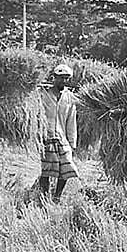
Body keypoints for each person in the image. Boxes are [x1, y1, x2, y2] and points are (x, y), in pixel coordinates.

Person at [37, 64, 79, 204]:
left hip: (62, 138)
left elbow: (71, 121)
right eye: (61, 78)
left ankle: (57, 197)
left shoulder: (70, 98)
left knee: (66, 169)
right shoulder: (43, 94)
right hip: (45, 137)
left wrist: (72, 143)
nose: (63, 81)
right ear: (54, 78)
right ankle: (43, 198)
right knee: (46, 170)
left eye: (66, 78)